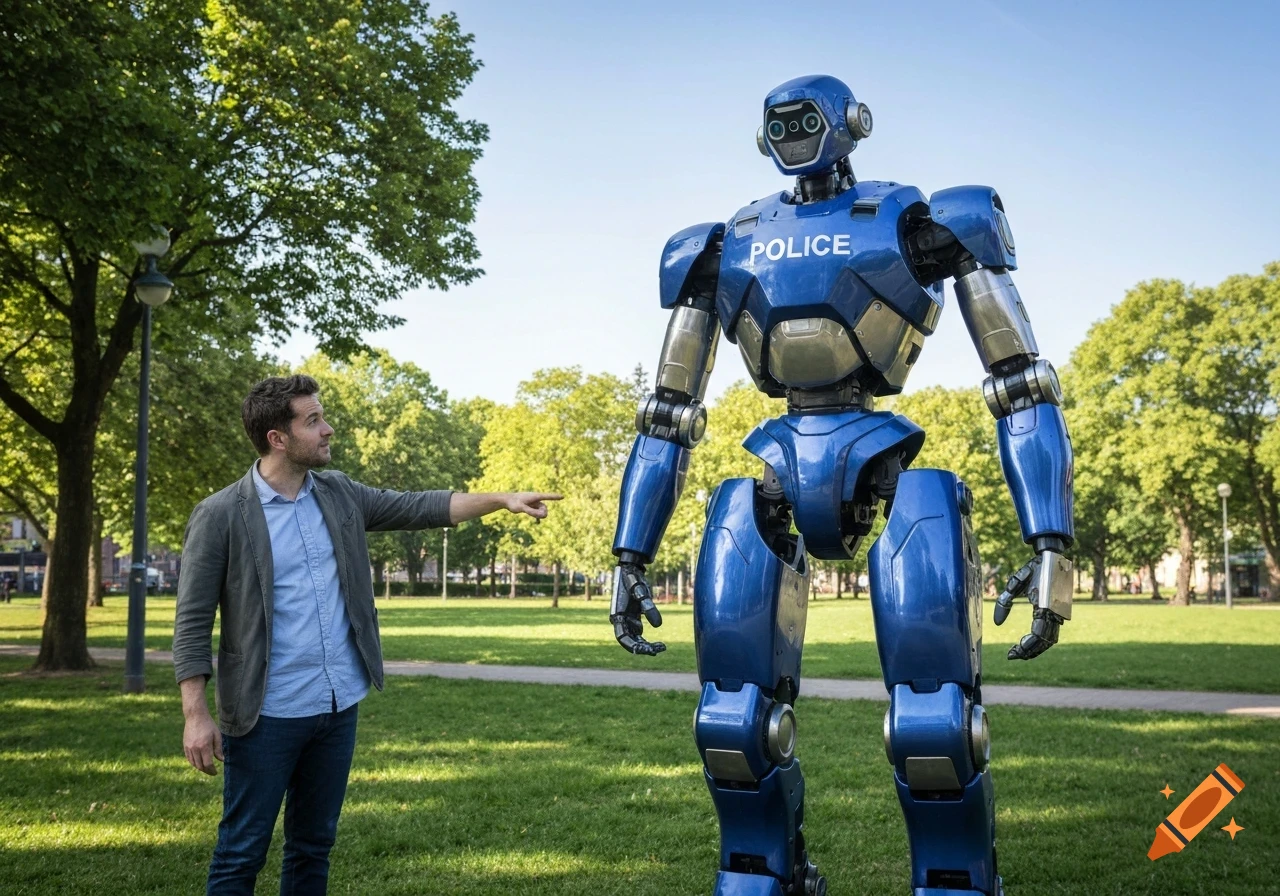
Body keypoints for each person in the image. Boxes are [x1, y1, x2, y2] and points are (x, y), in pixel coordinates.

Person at [173, 375, 559, 895]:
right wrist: (196, 715)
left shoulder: (339, 494)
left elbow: (420, 507)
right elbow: (192, 621)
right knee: (241, 852)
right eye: (313, 420)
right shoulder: (220, 514)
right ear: (277, 438)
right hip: (266, 714)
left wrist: (502, 500)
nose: (328, 429)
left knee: (313, 846)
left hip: (337, 705)